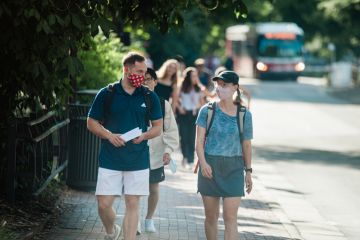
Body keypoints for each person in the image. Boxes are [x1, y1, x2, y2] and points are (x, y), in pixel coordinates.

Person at [87, 52, 163, 240]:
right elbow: (91, 122)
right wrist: (109, 136)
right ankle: (112, 231)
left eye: (145, 72)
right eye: (139, 71)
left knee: (133, 203)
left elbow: (158, 127)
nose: (143, 76)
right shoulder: (107, 93)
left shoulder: (149, 96)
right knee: (103, 204)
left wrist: (144, 136)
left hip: (138, 158)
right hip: (110, 157)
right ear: (126, 69)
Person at [195, 71, 253, 240]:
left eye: (225, 85)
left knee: (230, 218)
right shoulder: (207, 110)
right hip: (210, 167)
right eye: (218, 84)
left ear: (235, 87)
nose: (220, 88)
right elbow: (199, 142)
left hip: (234, 168)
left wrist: (248, 171)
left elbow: (247, 145)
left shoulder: (244, 114)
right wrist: (203, 163)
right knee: (211, 217)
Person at [140, 68, 180, 233]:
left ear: (156, 82)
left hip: (156, 154)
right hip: (136, 152)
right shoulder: (134, 101)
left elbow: (171, 131)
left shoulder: (164, 104)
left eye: (149, 79)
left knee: (153, 188)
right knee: (134, 189)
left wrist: (168, 151)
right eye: (143, 80)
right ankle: (133, 220)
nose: (146, 82)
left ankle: (149, 219)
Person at [177, 67, 206, 169]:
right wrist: (180, 108)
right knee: (183, 136)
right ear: (188, 77)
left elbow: (203, 103)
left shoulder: (199, 88)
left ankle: (190, 159)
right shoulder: (181, 87)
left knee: (192, 137)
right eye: (193, 76)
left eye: (196, 76)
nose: (195, 78)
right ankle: (184, 156)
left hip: (195, 114)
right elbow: (176, 99)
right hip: (184, 114)